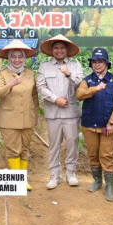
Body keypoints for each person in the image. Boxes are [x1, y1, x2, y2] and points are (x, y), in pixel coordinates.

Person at [75, 48, 113, 202]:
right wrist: (95, 88)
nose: (97, 64)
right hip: (89, 125)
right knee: (93, 154)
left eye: (100, 61)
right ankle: (97, 181)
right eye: (94, 62)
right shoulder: (87, 81)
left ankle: (109, 186)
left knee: (107, 155)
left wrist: (112, 122)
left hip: (108, 126)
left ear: (106, 63)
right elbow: (79, 95)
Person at [37, 34, 84, 189]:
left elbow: (80, 85)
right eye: (56, 48)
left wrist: (68, 74)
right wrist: (55, 99)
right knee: (54, 145)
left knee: (72, 143)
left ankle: (71, 173)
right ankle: (54, 175)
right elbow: (41, 87)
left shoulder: (75, 65)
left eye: (62, 48)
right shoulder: (44, 66)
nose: (59, 51)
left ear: (67, 50)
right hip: (53, 112)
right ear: (52, 50)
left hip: (71, 112)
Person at [0, 39, 39, 190]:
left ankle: (22, 178)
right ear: (9, 57)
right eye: (14, 56)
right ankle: (18, 181)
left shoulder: (30, 73)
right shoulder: (2, 74)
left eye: (20, 56)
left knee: (25, 149)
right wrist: (11, 84)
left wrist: (35, 116)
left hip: (27, 117)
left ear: (25, 58)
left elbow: (34, 96)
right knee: (13, 149)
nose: (17, 59)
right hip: (9, 119)